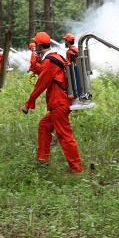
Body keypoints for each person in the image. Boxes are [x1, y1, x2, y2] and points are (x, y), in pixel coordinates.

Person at [21, 31, 83, 173]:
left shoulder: (50, 60)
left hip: (59, 103)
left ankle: (77, 169)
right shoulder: (55, 57)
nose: (34, 46)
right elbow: (41, 71)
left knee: (65, 136)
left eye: (36, 44)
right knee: (44, 126)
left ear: (40, 46)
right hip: (61, 101)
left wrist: (28, 104)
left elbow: (41, 84)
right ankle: (42, 160)